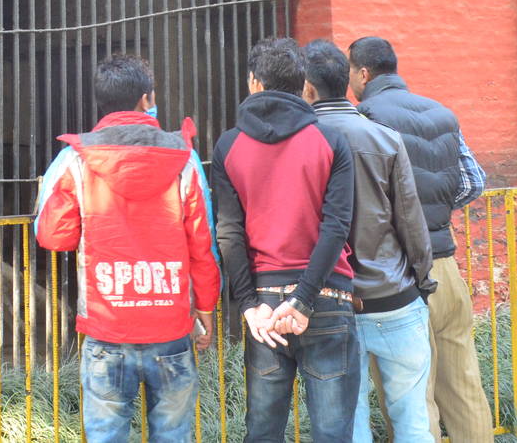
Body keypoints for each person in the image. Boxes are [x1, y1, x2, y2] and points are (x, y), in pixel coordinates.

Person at [33, 53, 220, 443]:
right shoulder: (183, 159)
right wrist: (205, 309)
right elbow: (202, 244)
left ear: (102, 103)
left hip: (107, 332)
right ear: (147, 98)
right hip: (170, 329)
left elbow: (53, 236)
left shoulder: (77, 161)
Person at [210, 37, 360, 443]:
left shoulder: (229, 146)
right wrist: (305, 297)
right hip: (325, 299)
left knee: (262, 431)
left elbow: (230, 234)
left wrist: (248, 306)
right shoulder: (330, 142)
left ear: (254, 84)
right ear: (302, 85)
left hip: (265, 307)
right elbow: (335, 227)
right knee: (332, 434)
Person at [349, 35, 490, 442]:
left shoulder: (367, 117)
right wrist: (435, 214)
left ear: (363, 73)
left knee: (413, 395)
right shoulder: (441, 113)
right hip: (447, 266)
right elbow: (473, 182)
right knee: (464, 383)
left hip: (401, 273)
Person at [304, 39, 437, 443]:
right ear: (349, 80)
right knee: (412, 419)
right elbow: (411, 223)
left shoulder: (302, 143)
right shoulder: (385, 139)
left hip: (333, 301)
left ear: (307, 89)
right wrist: (422, 280)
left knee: (350, 422)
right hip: (395, 295)